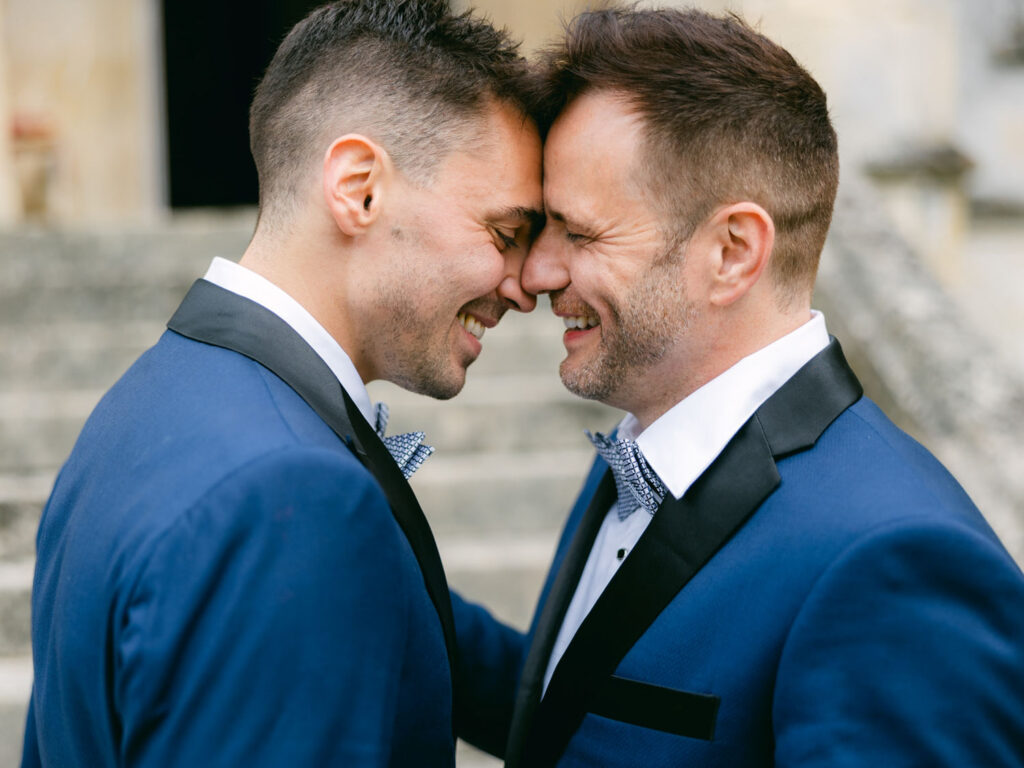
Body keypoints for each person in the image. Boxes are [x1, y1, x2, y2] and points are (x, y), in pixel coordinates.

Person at [454, 7, 1024, 767]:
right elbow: (572, 715)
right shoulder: (643, 445)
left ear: (731, 251)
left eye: (579, 233)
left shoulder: (894, 562)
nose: (535, 273)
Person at [21, 1, 542, 766]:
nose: (525, 286)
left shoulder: (153, 398)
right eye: (504, 234)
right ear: (359, 188)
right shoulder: (288, 494)